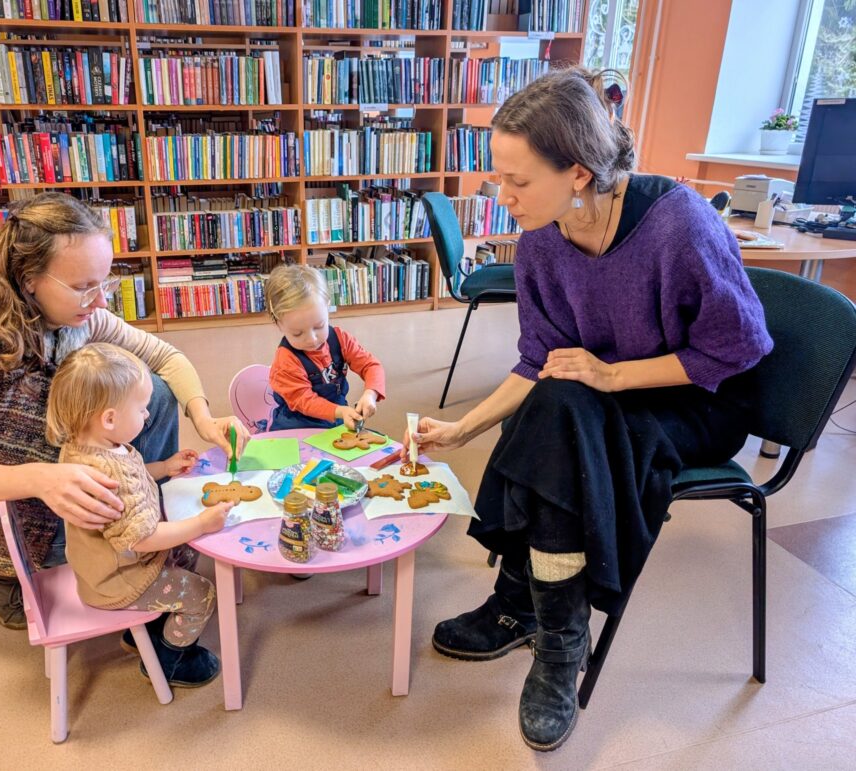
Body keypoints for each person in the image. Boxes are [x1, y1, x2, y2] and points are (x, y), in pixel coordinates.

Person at [409, 68, 773, 752]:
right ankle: (554, 627)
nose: (501, 196)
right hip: (592, 399)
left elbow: (739, 348)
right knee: (558, 409)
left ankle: (538, 620)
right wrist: (460, 429)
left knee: (564, 416)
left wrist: (613, 375)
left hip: (698, 399)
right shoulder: (541, 240)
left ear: (578, 172)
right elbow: (540, 360)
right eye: (497, 177)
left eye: (517, 181)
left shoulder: (679, 224)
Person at [0, 192, 248, 641]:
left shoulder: (75, 314)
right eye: (84, 286)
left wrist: (203, 418)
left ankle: (149, 523)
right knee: (117, 539)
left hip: (48, 460)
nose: (100, 301)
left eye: (104, 282)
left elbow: (165, 357)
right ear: (28, 279)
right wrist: (41, 479)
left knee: (151, 392)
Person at [46, 342, 233, 686]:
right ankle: (170, 659)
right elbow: (144, 539)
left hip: (107, 567)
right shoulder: (107, 473)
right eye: (142, 409)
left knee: (187, 549)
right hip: (120, 581)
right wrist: (201, 523)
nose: (148, 415)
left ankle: (149, 623)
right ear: (109, 419)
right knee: (202, 594)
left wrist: (164, 467)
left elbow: (132, 476)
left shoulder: (88, 447)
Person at [265, 264, 386, 431]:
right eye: (297, 333)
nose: (312, 339)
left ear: (328, 307)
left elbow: (371, 365)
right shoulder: (286, 361)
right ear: (278, 324)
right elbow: (305, 401)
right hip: (296, 427)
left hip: (336, 418)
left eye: (319, 326)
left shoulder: (340, 340)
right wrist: (340, 411)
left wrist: (370, 393)